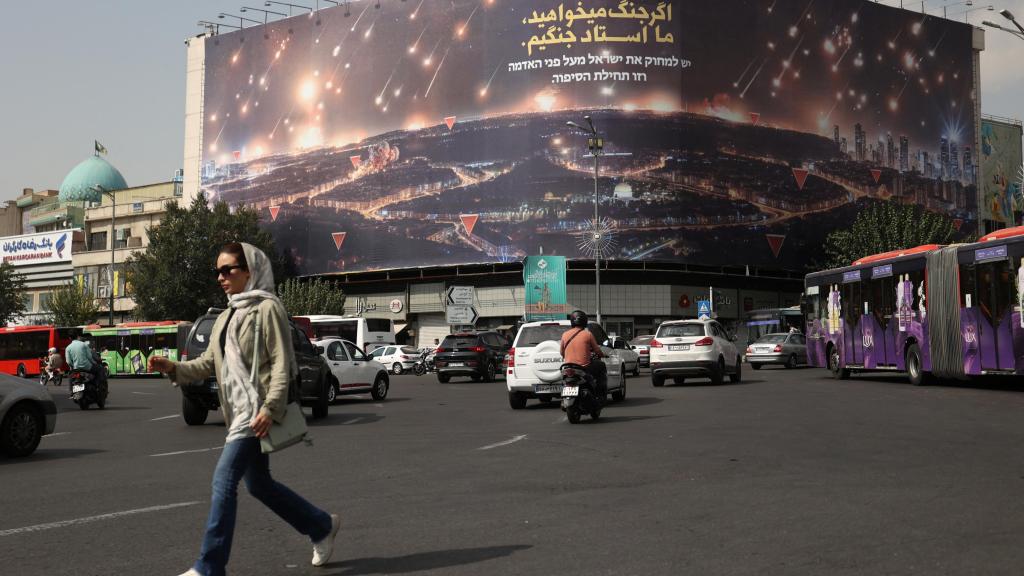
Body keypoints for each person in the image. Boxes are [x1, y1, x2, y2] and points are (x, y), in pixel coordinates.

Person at [149, 242, 339, 576]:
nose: (221, 277)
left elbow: (282, 363)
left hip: (255, 414)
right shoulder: (225, 315)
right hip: (236, 412)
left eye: (228, 270)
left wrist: (271, 407)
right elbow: (209, 363)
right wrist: (173, 368)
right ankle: (321, 525)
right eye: (217, 271)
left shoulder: (268, 308)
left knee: (223, 481)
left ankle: (209, 567)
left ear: (249, 271)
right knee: (259, 485)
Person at [560, 310, 607, 396]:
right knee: (601, 365)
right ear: (584, 322)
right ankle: (600, 393)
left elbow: (561, 352)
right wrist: (602, 355)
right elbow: (597, 350)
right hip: (584, 367)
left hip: (568, 367)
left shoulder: (565, 334)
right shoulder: (588, 334)